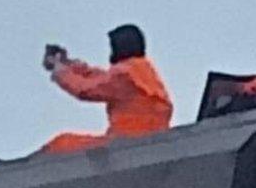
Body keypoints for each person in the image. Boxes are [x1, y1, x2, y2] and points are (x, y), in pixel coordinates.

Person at [37, 25, 173, 154]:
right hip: (149, 138)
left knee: (61, 144)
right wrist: (71, 65)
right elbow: (102, 79)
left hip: (127, 142)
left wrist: (60, 71)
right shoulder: (142, 70)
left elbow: (85, 90)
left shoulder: (123, 75)